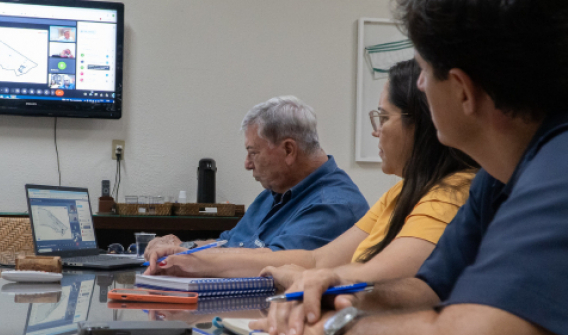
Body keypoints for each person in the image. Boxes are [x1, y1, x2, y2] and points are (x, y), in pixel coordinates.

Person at [248, 0, 568, 335]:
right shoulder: (498, 175)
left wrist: (334, 331)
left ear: (462, 90)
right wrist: (345, 297)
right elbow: (428, 290)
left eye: (422, 70)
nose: (417, 85)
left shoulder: (560, 165)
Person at [145, 60, 477, 314]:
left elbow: (385, 278)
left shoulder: (451, 192)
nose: (376, 132)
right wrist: (190, 255)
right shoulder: (400, 193)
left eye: (383, 118)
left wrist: (293, 275)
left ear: (420, 124)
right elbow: (318, 261)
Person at [144, 96, 369, 256]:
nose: (247, 164)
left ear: (289, 150)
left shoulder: (333, 206)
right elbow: (229, 244)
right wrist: (184, 247)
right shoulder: (274, 192)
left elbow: (270, 267)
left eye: (253, 153)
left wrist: (184, 255)